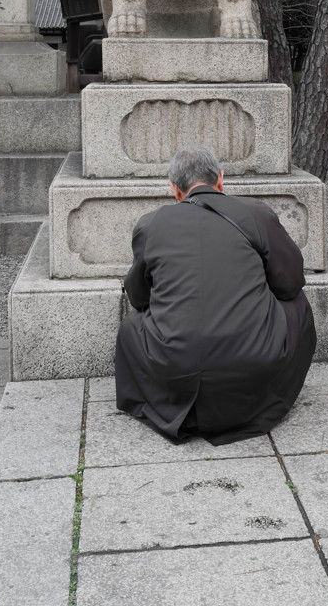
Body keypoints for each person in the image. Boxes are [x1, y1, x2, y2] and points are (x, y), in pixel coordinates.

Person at [114, 145, 317, 444]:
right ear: (221, 180)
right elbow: (290, 282)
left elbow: (139, 297)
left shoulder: (151, 223)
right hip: (253, 363)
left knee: (132, 325)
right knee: (299, 305)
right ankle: (264, 399)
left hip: (175, 365)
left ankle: (170, 405)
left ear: (174, 189)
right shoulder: (256, 214)